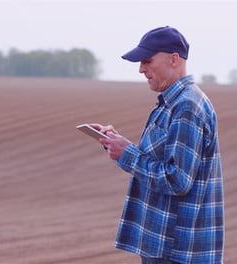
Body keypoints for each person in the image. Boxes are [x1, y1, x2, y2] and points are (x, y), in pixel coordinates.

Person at [91, 26, 224, 264]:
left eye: (147, 60)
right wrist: (117, 144)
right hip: (167, 247)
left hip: (178, 251)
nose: (141, 69)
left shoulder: (186, 108)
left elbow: (177, 179)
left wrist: (128, 154)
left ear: (174, 60)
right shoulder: (174, 103)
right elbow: (160, 160)